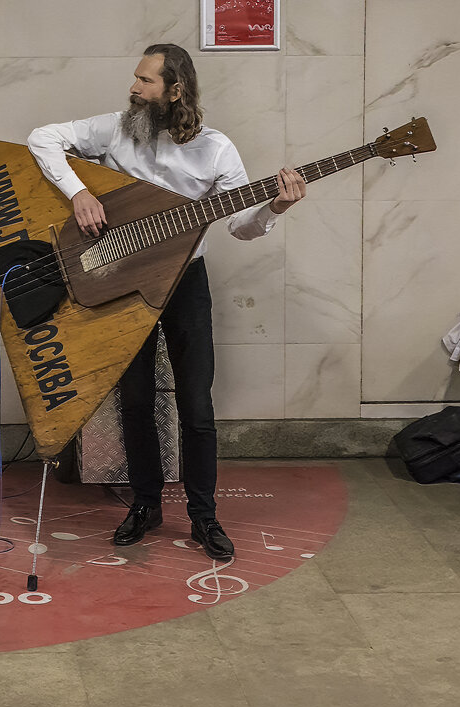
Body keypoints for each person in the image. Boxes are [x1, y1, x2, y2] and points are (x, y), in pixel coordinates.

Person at [28, 43, 306, 559]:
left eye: (146, 81)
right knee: (134, 402)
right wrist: (77, 193)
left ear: (175, 89)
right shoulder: (115, 127)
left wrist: (275, 209)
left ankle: (204, 517)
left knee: (196, 406)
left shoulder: (216, 148)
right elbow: (42, 139)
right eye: (136, 78)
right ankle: (146, 505)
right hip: (121, 279)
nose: (134, 88)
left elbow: (242, 227)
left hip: (184, 282)